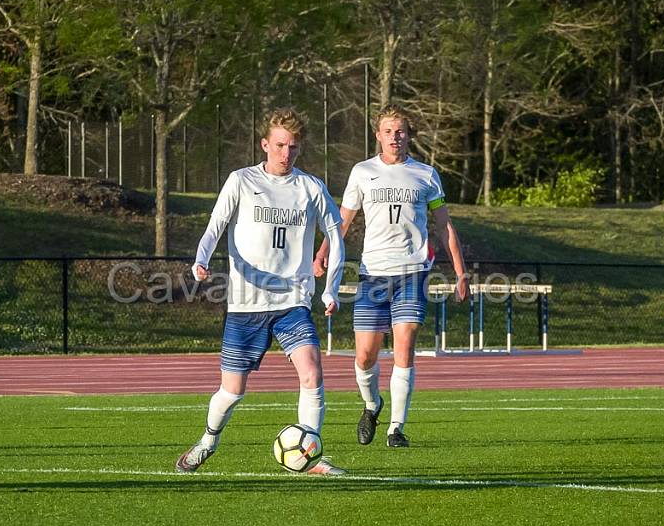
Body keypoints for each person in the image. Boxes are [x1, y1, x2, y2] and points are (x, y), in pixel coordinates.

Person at [176, 107, 346, 476]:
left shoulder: (310, 187)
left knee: (312, 373)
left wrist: (330, 288)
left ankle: (309, 452)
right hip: (246, 303)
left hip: (293, 302)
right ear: (265, 144)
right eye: (281, 145)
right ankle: (208, 440)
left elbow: (335, 236)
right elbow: (215, 224)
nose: (287, 154)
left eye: (294, 147)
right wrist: (200, 259)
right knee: (232, 390)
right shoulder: (241, 180)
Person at [314, 104, 468, 448]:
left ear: (409, 135)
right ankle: (372, 404)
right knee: (365, 356)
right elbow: (342, 220)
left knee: (404, 349)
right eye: (388, 131)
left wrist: (460, 273)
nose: (394, 137)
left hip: (412, 273)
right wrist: (323, 251)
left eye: (400, 131)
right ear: (378, 135)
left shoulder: (426, 175)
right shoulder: (362, 172)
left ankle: (396, 428)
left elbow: (444, 226)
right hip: (373, 276)